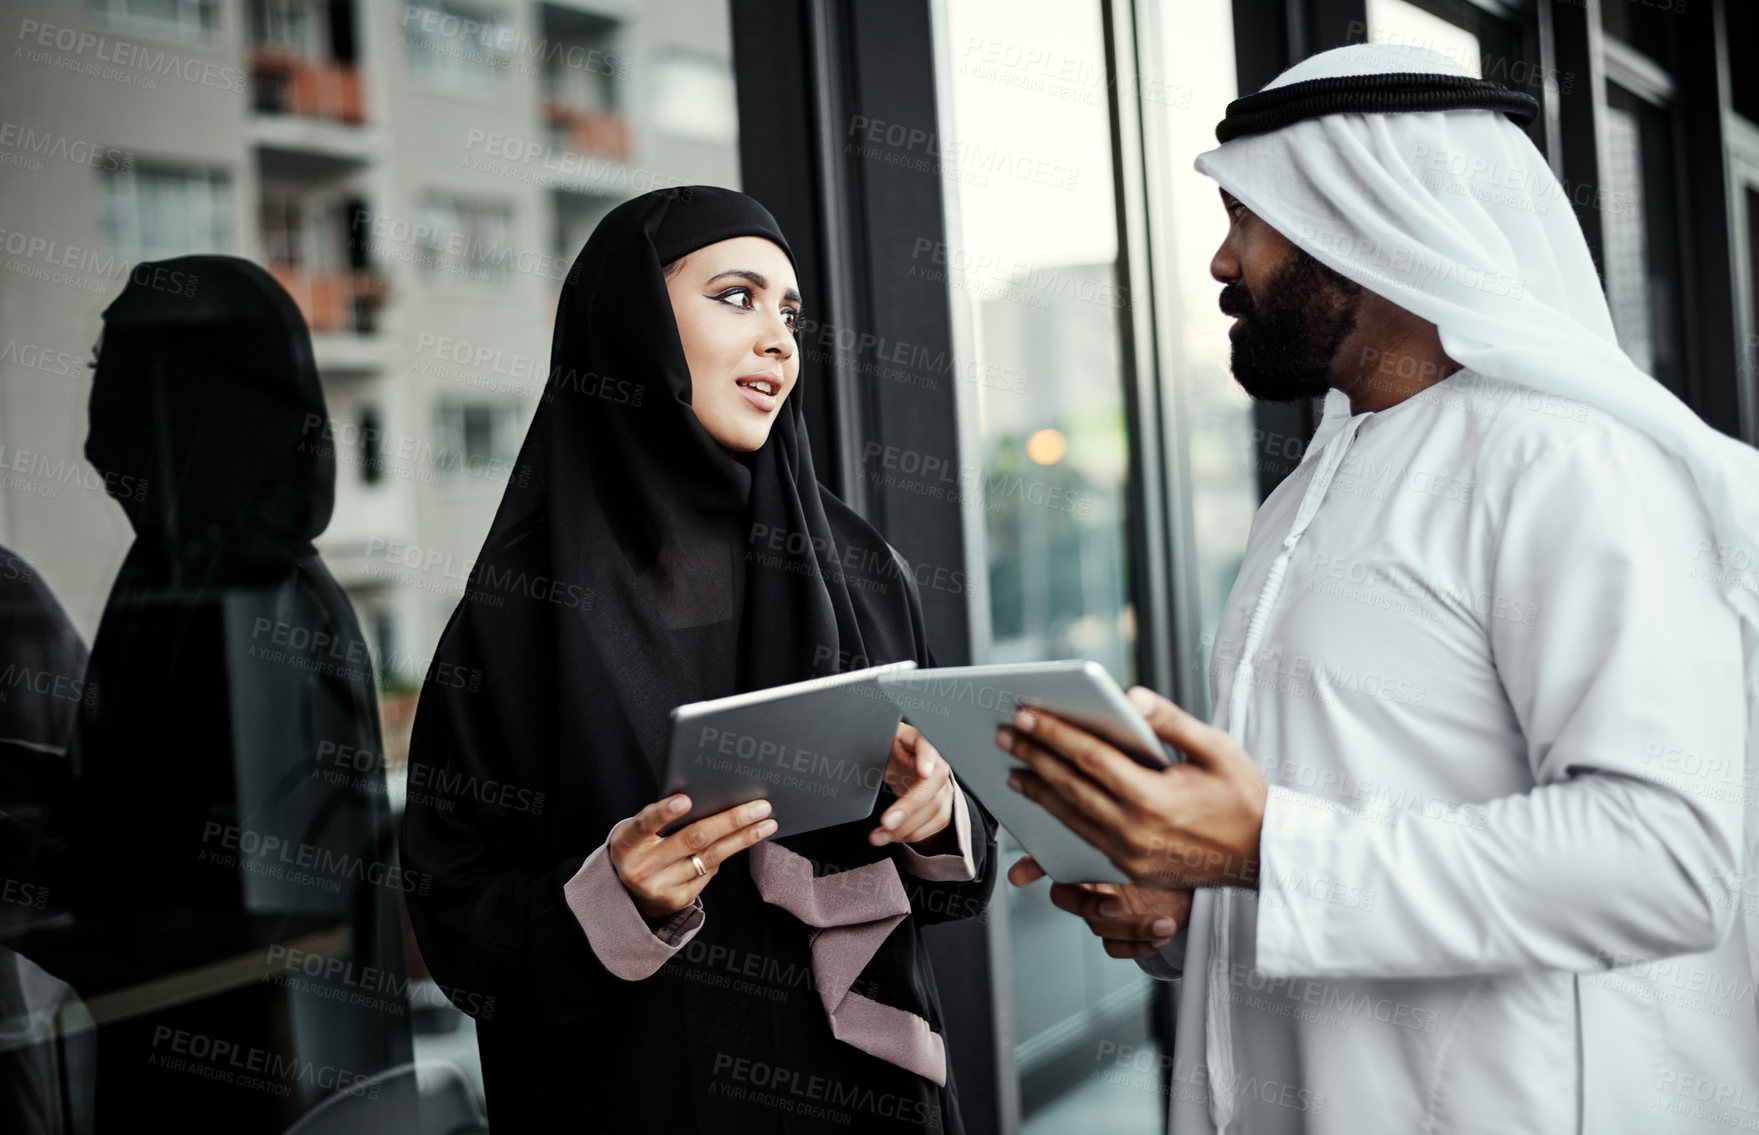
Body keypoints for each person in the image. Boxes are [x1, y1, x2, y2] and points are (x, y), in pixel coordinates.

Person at [995, 44, 1759, 1135]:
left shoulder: (1569, 465)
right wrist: (1194, 896)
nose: (1219, 262)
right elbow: (1350, 810)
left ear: (1360, 222)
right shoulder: (1312, 485)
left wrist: (1259, 848)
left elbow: (1662, 864)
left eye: (1245, 222)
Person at [400, 186, 997, 1134]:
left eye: (789, 311)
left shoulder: (860, 570)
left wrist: (936, 813)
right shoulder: (522, 608)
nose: (778, 339)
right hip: (632, 1092)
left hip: (862, 1103)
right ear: (631, 321)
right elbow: (452, 916)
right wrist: (613, 894)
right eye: (735, 296)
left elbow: (961, 876)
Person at [22, 256, 411, 1131]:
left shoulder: (249, 604)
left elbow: (230, 910)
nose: (95, 433)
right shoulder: (192, 577)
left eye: (116, 374)